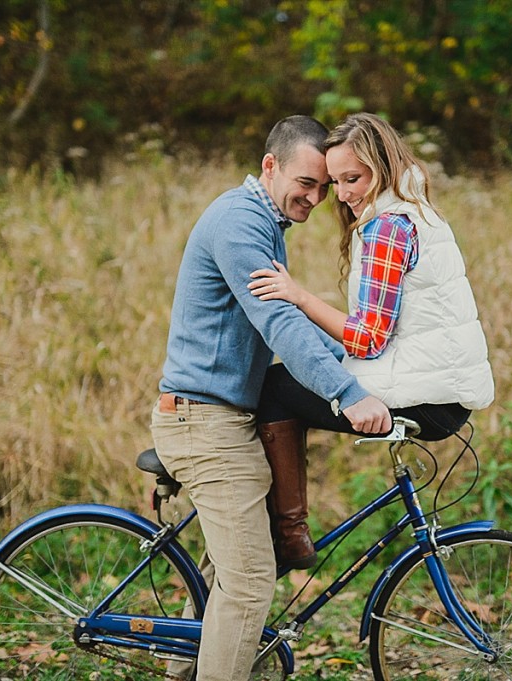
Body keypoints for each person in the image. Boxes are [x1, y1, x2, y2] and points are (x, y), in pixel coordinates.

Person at [150, 115, 391, 681]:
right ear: (270, 166)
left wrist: (370, 369)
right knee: (252, 579)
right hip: (202, 421)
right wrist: (348, 393)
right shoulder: (240, 222)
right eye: (305, 183)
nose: (314, 197)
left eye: (324, 188)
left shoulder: (267, 221)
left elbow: (292, 326)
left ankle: (179, 666)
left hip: (225, 418)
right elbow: (280, 323)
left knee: (229, 565)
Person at [248, 112, 495, 565]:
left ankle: (288, 536)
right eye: (335, 182)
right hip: (448, 395)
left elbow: (366, 340)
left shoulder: (386, 227)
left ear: (382, 166)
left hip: (424, 396)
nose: (342, 195)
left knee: (272, 390)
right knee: (306, 375)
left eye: (352, 178)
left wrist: (298, 296)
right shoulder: (419, 213)